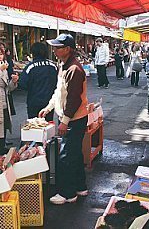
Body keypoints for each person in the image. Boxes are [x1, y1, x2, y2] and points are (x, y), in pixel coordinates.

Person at [39, 33, 89, 205]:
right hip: (73, 117)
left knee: (66, 156)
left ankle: (68, 193)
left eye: (57, 47)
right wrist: (49, 107)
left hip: (74, 119)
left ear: (67, 49)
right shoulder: (64, 66)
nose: (54, 50)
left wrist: (65, 121)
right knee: (74, 154)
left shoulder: (74, 69)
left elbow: (74, 99)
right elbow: (59, 92)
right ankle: (80, 187)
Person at [19, 42, 57, 120]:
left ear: (33, 53)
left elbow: (22, 84)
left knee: (34, 126)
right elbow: (57, 83)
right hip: (50, 102)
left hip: (34, 102)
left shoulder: (30, 67)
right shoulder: (53, 66)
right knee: (48, 125)